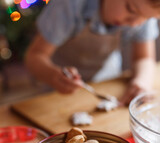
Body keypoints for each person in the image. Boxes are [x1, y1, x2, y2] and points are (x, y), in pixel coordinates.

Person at [25, 0, 159, 105]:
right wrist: (53, 76)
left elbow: (144, 57)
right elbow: (35, 56)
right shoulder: (69, 5)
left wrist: (142, 81)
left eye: (147, 18)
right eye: (131, 9)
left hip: (106, 85)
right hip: (56, 93)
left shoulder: (141, 11)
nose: (135, 24)